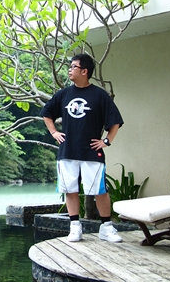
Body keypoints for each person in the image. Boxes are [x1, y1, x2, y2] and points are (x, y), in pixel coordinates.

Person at [41, 53, 124, 243]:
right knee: (70, 189)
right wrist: (54, 132)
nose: (69, 70)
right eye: (70, 66)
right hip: (67, 151)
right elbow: (47, 113)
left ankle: (106, 227)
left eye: (73, 67)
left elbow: (115, 121)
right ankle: (75, 228)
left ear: (84, 71)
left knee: (100, 190)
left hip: (91, 152)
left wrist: (106, 141)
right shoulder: (63, 94)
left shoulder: (99, 95)